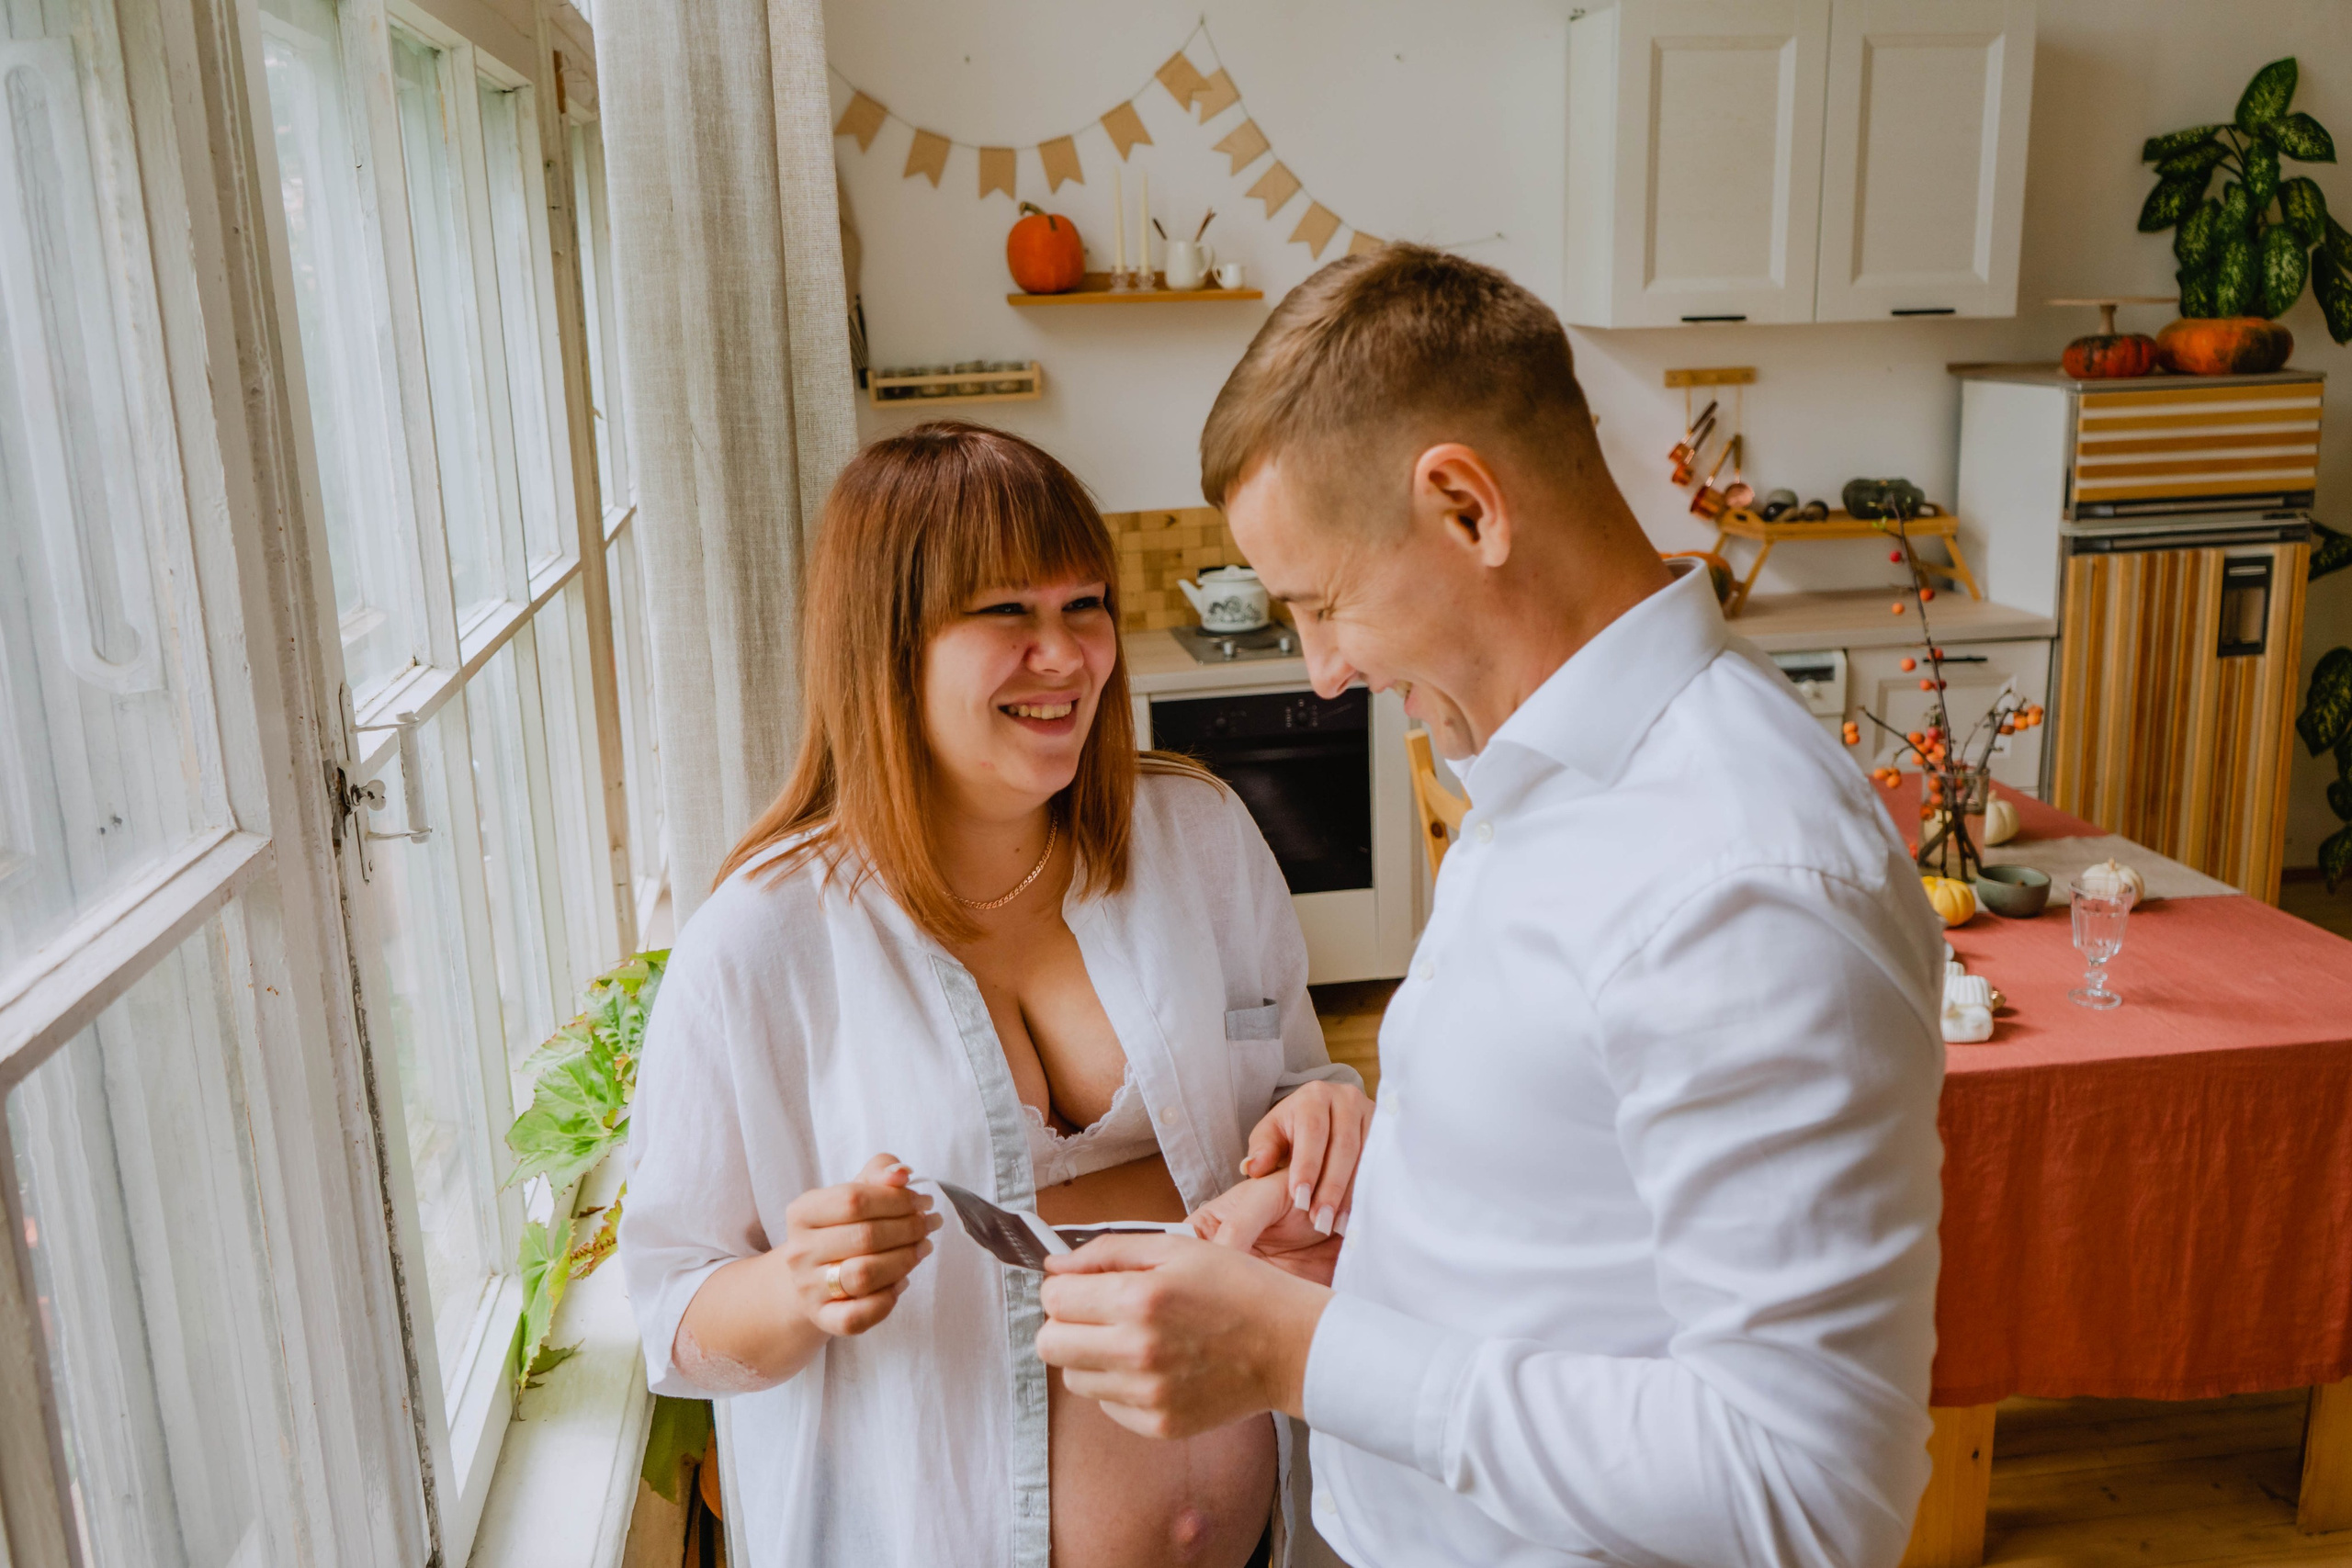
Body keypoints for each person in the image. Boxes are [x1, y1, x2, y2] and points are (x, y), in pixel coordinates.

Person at [1035, 245, 1949, 1568]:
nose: (1326, 669)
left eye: (1324, 601)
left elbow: (1805, 1492)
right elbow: (1577, 1210)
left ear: (1466, 506)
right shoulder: (1539, 774)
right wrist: (1362, 1244)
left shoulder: (1744, 874)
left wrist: (1303, 1352)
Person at [619, 423, 1373, 1567]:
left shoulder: (1201, 841)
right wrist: (796, 1283)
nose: (1066, 657)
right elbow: (674, 1324)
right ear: (887, 644)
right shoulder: (759, 944)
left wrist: (1326, 1113)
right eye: (1007, 614)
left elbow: (1292, 1084)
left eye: (1084, 607)